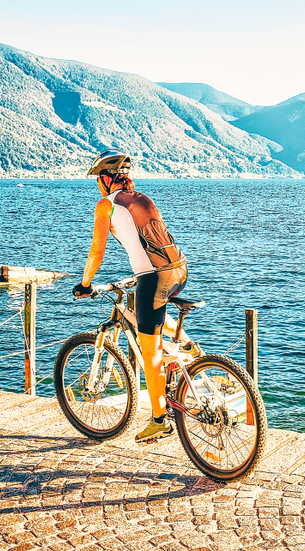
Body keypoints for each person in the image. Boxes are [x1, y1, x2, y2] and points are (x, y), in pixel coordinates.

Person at [73, 149, 188, 444]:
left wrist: (85, 284)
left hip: (153, 277)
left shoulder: (105, 206)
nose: (99, 184)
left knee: (150, 353)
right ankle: (191, 349)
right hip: (179, 270)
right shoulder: (144, 198)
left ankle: (160, 421)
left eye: (99, 178)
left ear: (106, 179)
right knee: (150, 310)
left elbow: (97, 250)